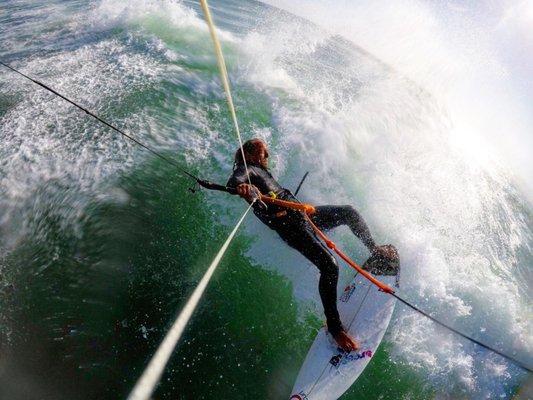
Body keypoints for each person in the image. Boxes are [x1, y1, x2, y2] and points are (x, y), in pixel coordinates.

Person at [227, 138, 398, 352]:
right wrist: (241, 186)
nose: (267, 157)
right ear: (250, 154)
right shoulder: (247, 169)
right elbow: (234, 182)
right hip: (291, 227)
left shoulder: (261, 171)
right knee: (330, 266)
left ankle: (374, 248)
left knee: (348, 212)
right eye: (264, 153)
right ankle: (335, 329)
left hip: (303, 215)